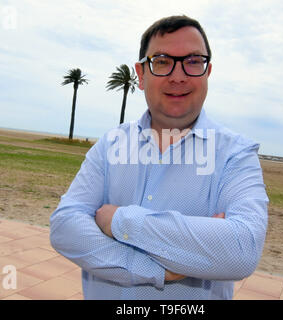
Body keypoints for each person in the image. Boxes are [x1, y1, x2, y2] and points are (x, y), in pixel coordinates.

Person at [50, 15, 269, 300]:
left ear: (207, 72)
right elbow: (65, 227)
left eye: (192, 61)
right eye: (163, 61)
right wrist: (159, 267)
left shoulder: (235, 155)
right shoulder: (111, 145)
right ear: (141, 75)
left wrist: (117, 220)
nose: (178, 76)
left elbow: (242, 250)